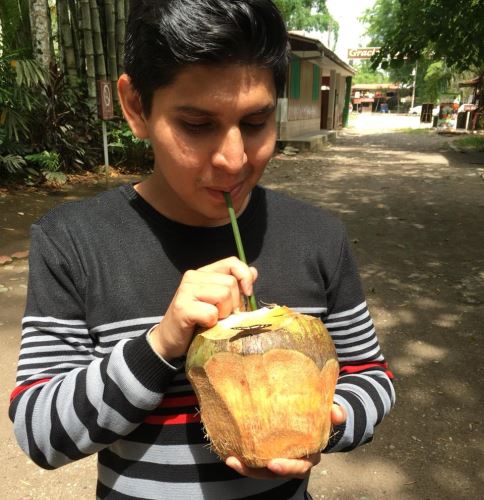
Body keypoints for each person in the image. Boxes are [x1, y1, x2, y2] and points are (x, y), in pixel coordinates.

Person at [9, 1, 395, 498]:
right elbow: (41, 434)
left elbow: (372, 377)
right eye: (196, 125)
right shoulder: (72, 241)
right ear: (135, 107)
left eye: (256, 122)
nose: (233, 159)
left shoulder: (317, 237)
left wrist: (322, 421)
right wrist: (161, 344)